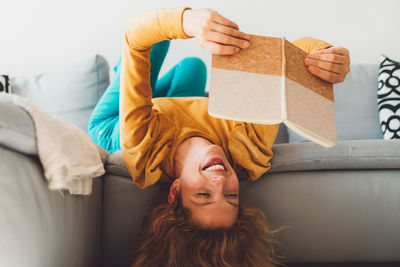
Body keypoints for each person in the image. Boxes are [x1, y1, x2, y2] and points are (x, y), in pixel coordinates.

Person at [88, 7, 350, 267]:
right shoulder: (249, 145)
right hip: (173, 108)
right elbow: (298, 56)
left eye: (203, 194)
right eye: (231, 197)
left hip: (111, 129)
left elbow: (134, 35)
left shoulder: (142, 145)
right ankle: (144, 92)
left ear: (175, 190)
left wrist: (188, 22)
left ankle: (133, 87)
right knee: (193, 67)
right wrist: (327, 58)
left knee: (156, 44)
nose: (220, 181)